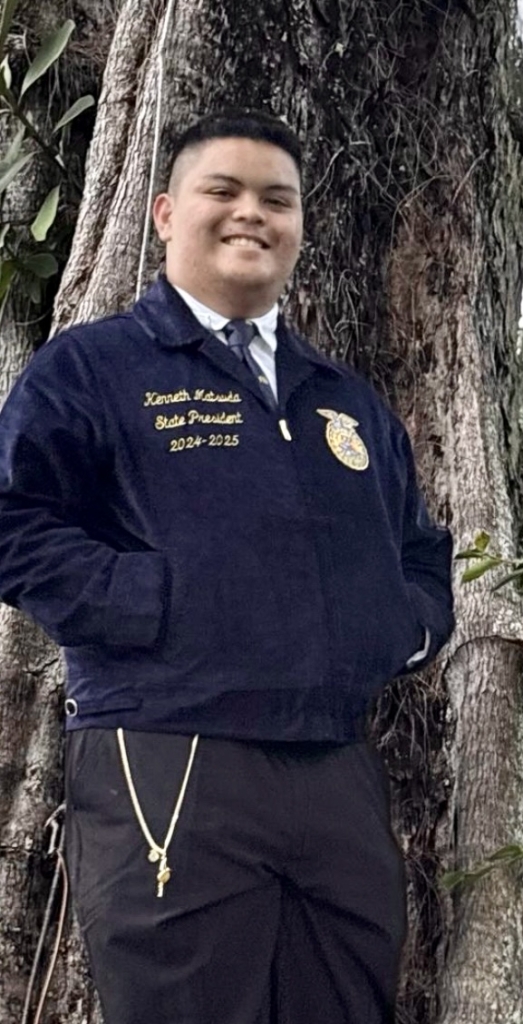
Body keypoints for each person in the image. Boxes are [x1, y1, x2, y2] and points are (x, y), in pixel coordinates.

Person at [0, 111, 454, 1024]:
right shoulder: (92, 370)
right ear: (165, 213)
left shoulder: (344, 402)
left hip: (333, 767)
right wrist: (154, 604)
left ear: (297, 228)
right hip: (169, 750)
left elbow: (419, 550)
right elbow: (17, 523)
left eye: (276, 199)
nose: (252, 213)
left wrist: (399, 629)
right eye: (224, 190)